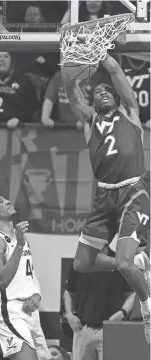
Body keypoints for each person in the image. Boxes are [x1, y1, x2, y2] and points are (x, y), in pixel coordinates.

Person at [60, 49, 150, 343]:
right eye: (97, 92)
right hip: (104, 196)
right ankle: (141, 262)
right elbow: (69, 86)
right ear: (93, 102)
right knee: (81, 264)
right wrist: (70, 57)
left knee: (123, 264)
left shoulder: (130, 114)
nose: (102, 92)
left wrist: (99, 50)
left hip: (132, 192)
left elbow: (112, 70)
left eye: (107, 91)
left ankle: (148, 308)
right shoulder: (89, 122)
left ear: (116, 98)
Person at [0, 195, 51, 360]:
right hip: (10, 311)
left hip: (30, 309)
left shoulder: (18, 235)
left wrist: (37, 294)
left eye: (5, 199)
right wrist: (20, 245)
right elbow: (3, 279)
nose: (6, 201)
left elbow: (29, 274)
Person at [63, 249, 136, 360]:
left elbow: (132, 293)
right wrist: (69, 313)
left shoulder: (118, 261)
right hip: (82, 329)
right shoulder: (79, 261)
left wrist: (122, 313)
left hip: (111, 330)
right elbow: (68, 291)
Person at [0, 52, 38, 128]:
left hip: (15, 131)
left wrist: (19, 118)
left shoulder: (23, 80)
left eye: (6, 56)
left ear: (11, 60)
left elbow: (32, 107)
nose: (2, 59)